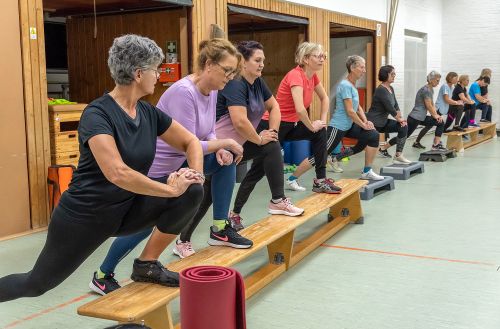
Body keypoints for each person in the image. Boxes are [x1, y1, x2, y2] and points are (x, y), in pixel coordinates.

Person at [0, 34, 205, 302]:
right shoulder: (97, 115)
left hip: (126, 209)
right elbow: (117, 173)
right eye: (156, 70)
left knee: (192, 192)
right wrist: (169, 189)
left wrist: (194, 174)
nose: (159, 76)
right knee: (36, 284)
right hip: (85, 217)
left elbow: (191, 142)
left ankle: (146, 264)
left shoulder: (148, 113)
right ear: (139, 73)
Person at [89, 38, 253, 295]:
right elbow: (186, 143)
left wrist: (219, 146)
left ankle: (220, 228)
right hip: (159, 169)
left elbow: (207, 133)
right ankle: (102, 274)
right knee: (145, 227)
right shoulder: (183, 92)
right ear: (209, 65)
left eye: (234, 73)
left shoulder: (212, 91)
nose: (230, 78)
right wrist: (226, 141)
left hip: (184, 165)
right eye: (227, 71)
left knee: (226, 160)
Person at [254, 42, 338, 193]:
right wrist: (311, 126)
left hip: (291, 125)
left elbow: (325, 98)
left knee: (320, 133)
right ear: (306, 59)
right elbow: (300, 109)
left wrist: (322, 122)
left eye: (323, 56)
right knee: (257, 169)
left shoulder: (313, 77)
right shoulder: (295, 75)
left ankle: (320, 181)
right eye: (318, 56)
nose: (322, 59)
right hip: (272, 124)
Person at [325, 55, 384, 180]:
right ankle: (293, 178)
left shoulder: (352, 85)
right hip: (338, 127)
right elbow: (350, 111)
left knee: (373, 135)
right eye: (362, 67)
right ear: (352, 68)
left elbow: (358, 108)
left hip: (349, 126)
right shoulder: (345, 85)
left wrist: (366, 121)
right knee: (319, 155)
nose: (364, 70)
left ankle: (367, 171)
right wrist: (363, 125)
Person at [367, 65, 411, 164]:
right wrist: (399, 119)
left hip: (383, 122)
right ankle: (335, 158)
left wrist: (401, 119)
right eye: (392, 74)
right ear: (385, 75)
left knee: (403, 127)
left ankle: (398, 155)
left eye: (394, 73)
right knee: (360, 146)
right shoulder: (381, 90)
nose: (394, 75)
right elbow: (389, 107)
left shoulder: (390, 88)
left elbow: (395, 105)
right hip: (374, 123)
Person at [407, 71, 447, 151]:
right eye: (437, 80)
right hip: (415, 117)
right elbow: (428, 105)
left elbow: (432, 105)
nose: (438, 83)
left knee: (440, 123)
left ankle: (436, 145)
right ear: (431, 80)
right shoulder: (426, 90)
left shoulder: (430, 90)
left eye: (439, 81)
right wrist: (435, 116)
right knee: (404, 136)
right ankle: (384, 148)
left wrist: (436, 116)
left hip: (421, 117)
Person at [417, 71, 461, 136]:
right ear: (450, 78)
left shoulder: (452, 87)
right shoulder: (445, 86)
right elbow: (446, 99)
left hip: (445, 108)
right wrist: (457, 102)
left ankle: (450, 127)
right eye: (456, 78)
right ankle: (417, 141)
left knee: (456, 110)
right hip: (438, 109)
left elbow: (449, 99)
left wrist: (457, 103)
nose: (457, 80)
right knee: (430, 126)